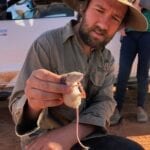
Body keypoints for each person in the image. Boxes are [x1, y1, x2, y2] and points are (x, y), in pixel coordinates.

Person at [9, 0, 147, 149]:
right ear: (83, 8)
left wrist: (70, 134)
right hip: (43, 143)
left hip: (84, 138)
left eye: (115, 18)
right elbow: (17, 105)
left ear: (120, 26)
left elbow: (105, 102)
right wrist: (33, 105)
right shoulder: (46, 45)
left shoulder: (106, 58)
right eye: (99, 10)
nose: (103, 25)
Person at [110, 0, 150, 125]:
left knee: (143, 74)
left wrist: (138, 2)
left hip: (147, 35)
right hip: (129, 35)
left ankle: (140, 107)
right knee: (123, 73)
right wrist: (121, 27)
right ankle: (117, 108)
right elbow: (119, 8)